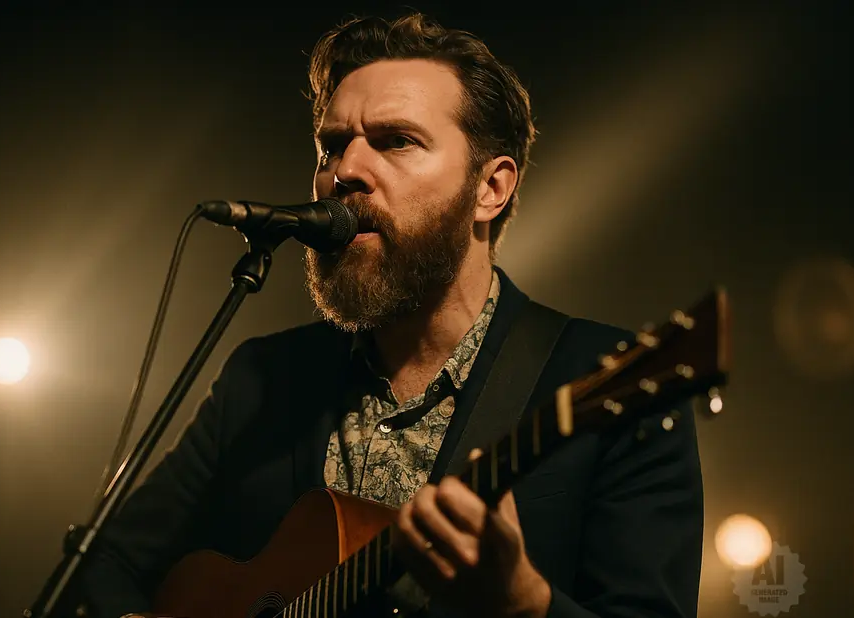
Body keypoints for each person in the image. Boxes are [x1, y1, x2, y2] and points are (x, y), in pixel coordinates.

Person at [70, 12, 704, 618]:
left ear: (490, 189)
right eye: (332, 146)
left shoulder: (614, 376)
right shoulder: (262, 380)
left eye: (397, 141)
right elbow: (100, 563)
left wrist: (524, 606)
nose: (346, 171)